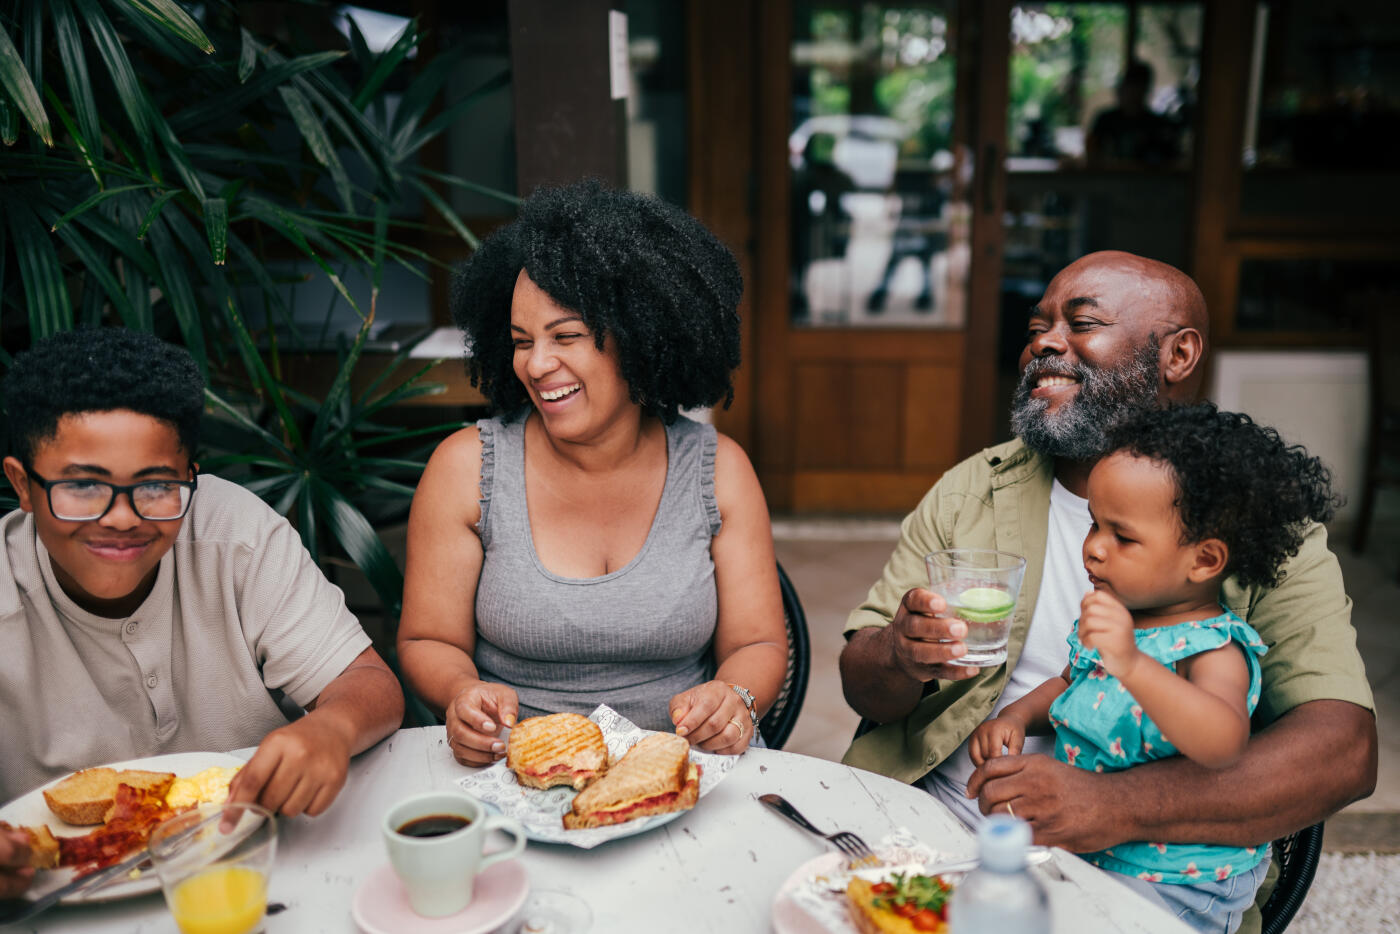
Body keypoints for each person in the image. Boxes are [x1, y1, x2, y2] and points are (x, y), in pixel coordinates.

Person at [838, 251, 1375, 934]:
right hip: (926, 825)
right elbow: (865, 687)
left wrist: (1111, 804)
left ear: (1177, 354)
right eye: (1039, 325)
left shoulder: (1252, 520)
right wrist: (898, 655)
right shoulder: (975, 487)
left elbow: (1345, 752)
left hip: (1133, 872)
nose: (1045, 341)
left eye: (1081, 322)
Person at [398, 180, 788, 768]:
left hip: (685, 770)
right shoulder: (467, 467)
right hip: (517, 772)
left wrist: (732, 697)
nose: (535, 364)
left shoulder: (719, 469)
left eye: (567, 336)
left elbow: (757, 642)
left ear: (639, 338)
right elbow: (429, 638)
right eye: (522, 341)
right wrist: (461, 691)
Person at [0, 328, 404, 896]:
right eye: (84, 485)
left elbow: (368, 683)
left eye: (156, 484)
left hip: (266, 869)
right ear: (22, 483)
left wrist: (332, 727)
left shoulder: (234, 533)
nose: (120, 517)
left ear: (190, 474)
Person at [969, 403, 1339, 934]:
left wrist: (1132, 663)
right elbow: (1076, 684)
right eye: (1094, 524)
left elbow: (1222, 740)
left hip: (1179, 884)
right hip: (1096, 858)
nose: (1093, 548)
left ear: (1205, 561)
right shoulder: (1122, 621)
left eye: (1122, 537)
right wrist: (1018, 718)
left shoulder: (1211, 648)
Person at [1086, 60, 1183, 168]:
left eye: (1138, 87)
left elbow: (1171, 161)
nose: (1133, 93)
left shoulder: (1158, 125)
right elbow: (1091, 154)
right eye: (1130, 86)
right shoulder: (1105, 120)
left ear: (1145, 90)